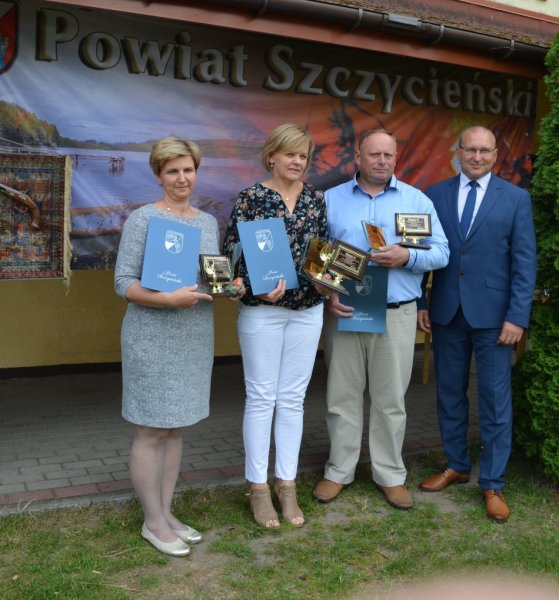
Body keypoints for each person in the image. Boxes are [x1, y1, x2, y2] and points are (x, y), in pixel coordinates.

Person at [115, 136, 242, 556]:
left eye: (188, 169)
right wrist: (167, 300)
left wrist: (230, 288)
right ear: (158, 175)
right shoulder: (143, 219)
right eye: (172, 171)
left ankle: (166, 513)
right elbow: (123, 283)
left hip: (193, 335)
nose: (182, 178)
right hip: (151, 336)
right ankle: (152, 522)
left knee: (175, 428)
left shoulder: (206, 223)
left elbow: (208, 278)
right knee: (151, 428)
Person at [313, 128, 449, 510]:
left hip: (396, 314)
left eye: (389, 155)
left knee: (391, 400)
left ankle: (389, 475)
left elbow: (442, 252)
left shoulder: (416, 199)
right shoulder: (330, 200)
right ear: (358, 156)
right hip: (346, 310)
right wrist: (328, 291)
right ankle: (338, 470)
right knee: (341, 396)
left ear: (396, 158)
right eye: (374, 154)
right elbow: (317, 252)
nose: (382, 161)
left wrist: (408, 257)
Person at [417, 126, 537, 523]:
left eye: (485, 151)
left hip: (495, 319)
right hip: (447, 312)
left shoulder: (516, 199)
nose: (477, 157)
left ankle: (493, 483)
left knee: (495, 401)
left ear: (495, 155)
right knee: (449, 394)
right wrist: (421, 301)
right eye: (470, 149)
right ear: (458, 151)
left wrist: (517, 317)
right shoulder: (435, 194)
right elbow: (422, 250)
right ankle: (456, 464)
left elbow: (524, 263)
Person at [222, 123, 327, 528]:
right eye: (290, 154)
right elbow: (231, 259)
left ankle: (287, 484)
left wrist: (326, 279)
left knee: (293, 399)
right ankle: (258, 488)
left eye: (303, 156)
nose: (298, 162)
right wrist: (254, 287)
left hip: (308, 310)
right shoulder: (251, 198)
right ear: (271, 156)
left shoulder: (315, 199)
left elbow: (322, 250)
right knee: (262, 398)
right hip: (262, 312)